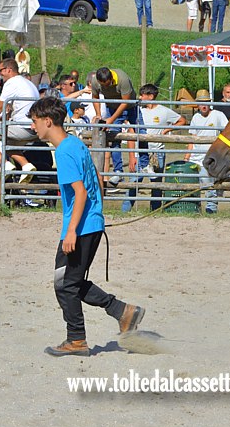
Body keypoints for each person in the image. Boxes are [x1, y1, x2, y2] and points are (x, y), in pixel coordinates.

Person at [28, 96, 145, 357]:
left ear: (48, 121)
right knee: (68, 282)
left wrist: (72, 230)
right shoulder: (76, 144)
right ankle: (122, 311)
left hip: (79, 228)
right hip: (89, 224)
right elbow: (98, 178)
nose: (33, 127)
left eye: (35, 122)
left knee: (66, 285)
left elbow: (80, 192)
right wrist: (97, 214)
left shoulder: (64, 151)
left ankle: (77, 339)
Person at [122, 84, 186, 212]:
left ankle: (155, 211)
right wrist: (131, 155)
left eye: (143, 95)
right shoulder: (137, 111)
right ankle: (125, 211)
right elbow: (131, 132)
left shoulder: (164, 111)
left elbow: (182, 120)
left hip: (157, 152)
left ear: (151, 97)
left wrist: (166, 130)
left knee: (156, 184)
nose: (140, 98)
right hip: (139, 153)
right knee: (134, 182)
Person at [0, 58, 40, 182]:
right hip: (34, 128)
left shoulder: (12, 82)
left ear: (8, 69)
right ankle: (26, 166)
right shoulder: (28, 83)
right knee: (9, 144)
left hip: (22, 127)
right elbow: (10, 109)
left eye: (1, 70)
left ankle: (5, 164)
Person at [90, 67, 138, 187]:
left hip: (130, 106)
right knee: (114, 138)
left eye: (108, 84)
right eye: (103, 86)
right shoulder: (95, 81)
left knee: (140, 133)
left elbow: (125, 102)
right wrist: (99, 114)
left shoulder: (123, 79)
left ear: (111, 78)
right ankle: (118, 171)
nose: (106, 88)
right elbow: (95, 97)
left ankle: (145, 164)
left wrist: (111, 119)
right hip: (112, 107)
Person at [184, 90, 229, 214]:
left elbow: (227, 132)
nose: (204, 106)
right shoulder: (195, 117)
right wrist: (187, 156)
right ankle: (195, 208)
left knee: (209, 183)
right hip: (196, 157)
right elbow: (192, 138)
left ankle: (211, 208)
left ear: (210, 103)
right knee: (194, 184)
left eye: (206, 103)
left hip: (210, 157)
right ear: (197, 104)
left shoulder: (218, 115)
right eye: (201, 103)